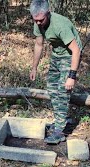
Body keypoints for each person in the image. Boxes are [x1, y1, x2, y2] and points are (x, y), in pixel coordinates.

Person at [29, 0, 82, 144]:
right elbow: (39, 45)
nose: (39, 23)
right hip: (57, 54)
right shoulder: (38, 22)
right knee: (52, 89)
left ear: (48, 13)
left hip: (70, 55)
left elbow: (76, 50)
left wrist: (72, 76)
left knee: (63, 90)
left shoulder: (60, 25)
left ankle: (59, 131)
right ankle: (61, 120)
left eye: (41, 20)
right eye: (36, 20)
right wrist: (34, 67)